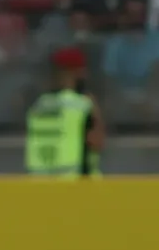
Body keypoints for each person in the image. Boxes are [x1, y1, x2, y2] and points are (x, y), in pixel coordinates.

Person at [25, 47, 104, 178]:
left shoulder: (39, 105)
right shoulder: (82, 105)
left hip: (40, 185)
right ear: (78, 72)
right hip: (76, 185)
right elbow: (97, 142)